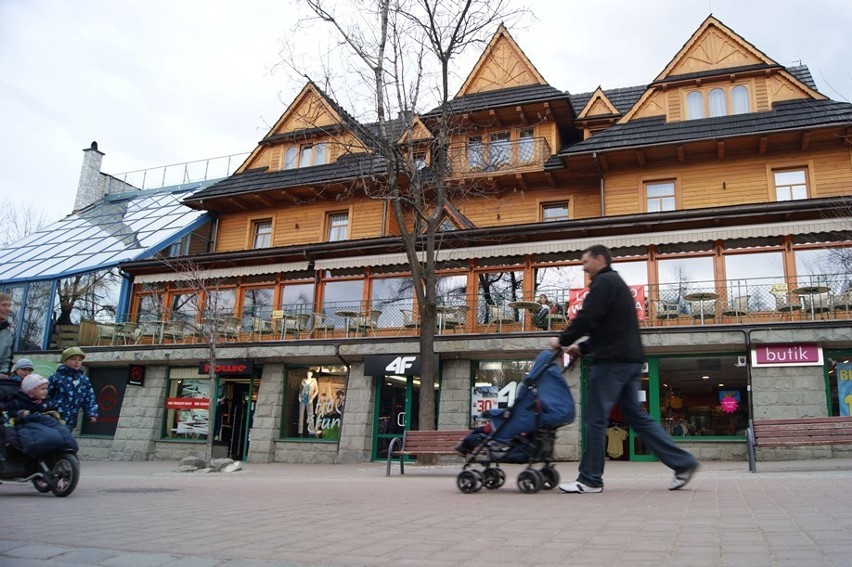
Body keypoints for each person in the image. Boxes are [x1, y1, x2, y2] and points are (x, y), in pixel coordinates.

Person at [551, 245, 699, 493]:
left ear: (600, 259)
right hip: (628, 359)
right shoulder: (615, 284)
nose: (583, 266)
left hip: (611, 363)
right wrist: (582, 348)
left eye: (585, 261)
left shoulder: (604, 282)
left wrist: (564, 340)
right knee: (637, 418)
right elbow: (609, 329)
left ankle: (590, 479)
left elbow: (588, 317)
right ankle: (683, 463)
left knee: (595, 419)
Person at [47, 346, 98, 431]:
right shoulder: (56, 378)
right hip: (55, 417)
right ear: (65, 361)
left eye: (80, 360)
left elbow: (89, 397)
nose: (77, 362)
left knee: (65, 440)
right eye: (73, 359)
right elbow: (46, 395)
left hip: (71, 419)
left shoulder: (83, 380)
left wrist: (92, 413)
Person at [0, 292, 14, 378]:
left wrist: (4, 373)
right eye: (4, 305)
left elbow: (6, 359)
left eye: (9, 306)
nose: (8, 309)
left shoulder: (8, 334)